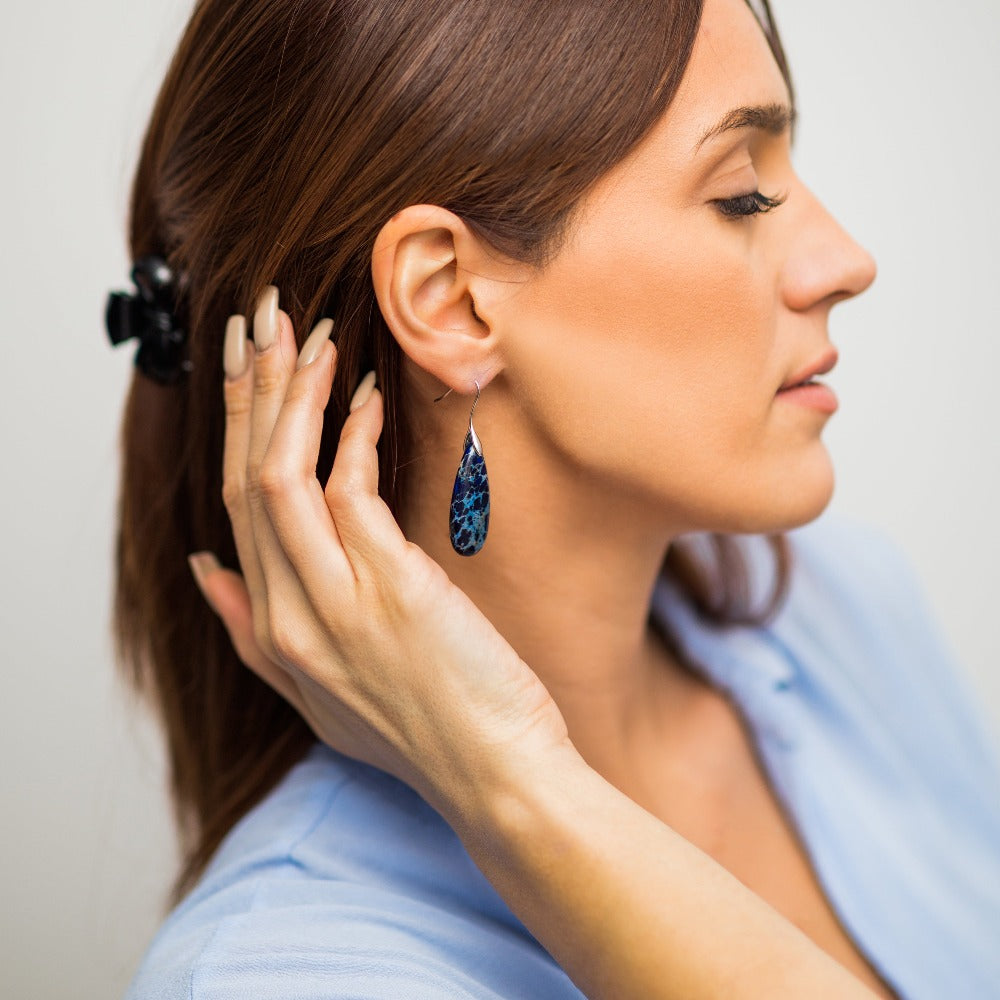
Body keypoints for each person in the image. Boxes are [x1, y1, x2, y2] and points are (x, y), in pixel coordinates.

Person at [109, 0, 1000, 997]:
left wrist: (515, 785)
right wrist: (513, 789)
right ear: (451, 297)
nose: (845, 259)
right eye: (744, 192)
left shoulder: (836, 613)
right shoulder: (286, 974)